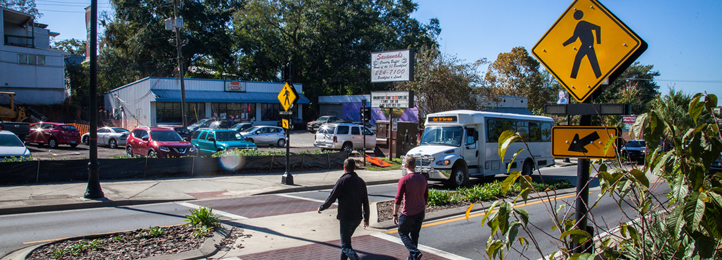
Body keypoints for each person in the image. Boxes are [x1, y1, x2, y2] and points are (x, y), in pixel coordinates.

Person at [318, 159, 370, 260]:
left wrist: (322, 207)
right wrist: (366, 218)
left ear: (344, 168)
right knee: (346, 242)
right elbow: (365, 202)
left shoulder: (342, 181)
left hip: (346, 217)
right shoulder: (361, 182)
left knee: (345, 245)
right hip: (357, 218)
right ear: (354, 168)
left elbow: (332, 197)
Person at [394, 156, 429, 260]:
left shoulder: (404, 180)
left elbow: (398, 198)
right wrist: (424, 210)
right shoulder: (423, 178)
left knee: (402, 232)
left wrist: (395, 214)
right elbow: (426, 196)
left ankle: (415, 252)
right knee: (414, 236)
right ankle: (413, 257)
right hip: (420, 211)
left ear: (405, 166)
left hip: (408, 213)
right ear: (415, 165)